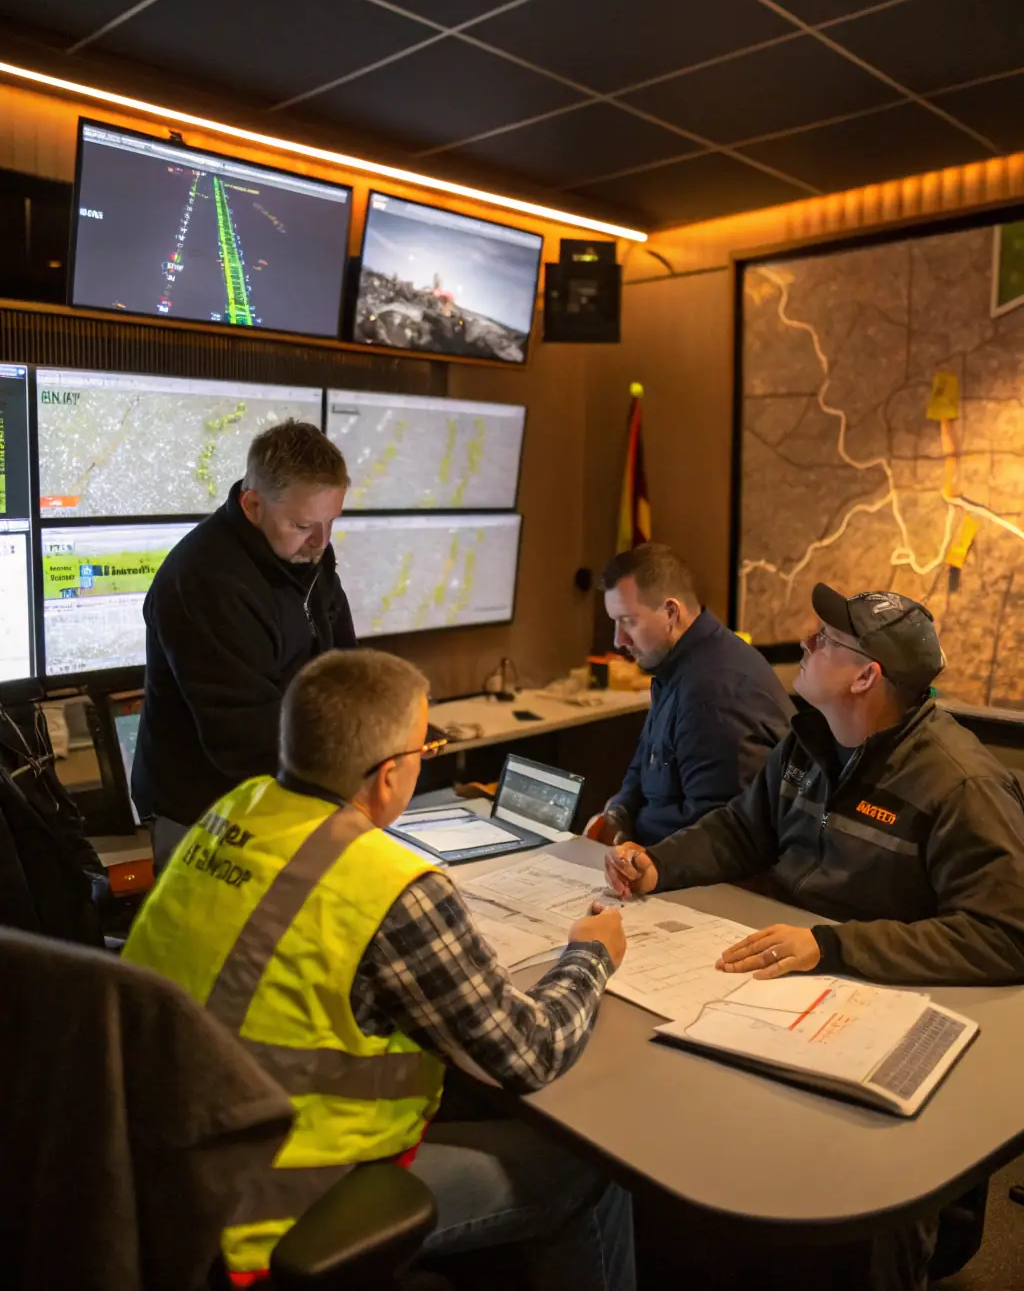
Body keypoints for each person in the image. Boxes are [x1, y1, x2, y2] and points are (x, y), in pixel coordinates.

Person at [123, 648, 634, 1291]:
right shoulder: (387, 885)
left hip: (161, 1176)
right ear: (389, 775)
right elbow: (531, 1053)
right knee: (589, 1170)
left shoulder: (235, 812)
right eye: (428, 750)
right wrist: (591, 955)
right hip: (279, 1214)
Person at [606, 582, 1024, 1291]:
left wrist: (833, 945)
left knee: (847, 1214)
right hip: (792, 983)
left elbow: (1006, 936)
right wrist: (658, 865)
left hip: (888, 1011)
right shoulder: (809, 741)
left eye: (826, 641)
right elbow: (745, 828)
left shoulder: (960, 785)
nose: (804, 643)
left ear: (866, 677)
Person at [132, 420, 357, 872]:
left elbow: (345, 666)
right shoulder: (203, 581)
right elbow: (241, 735)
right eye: (303, 525)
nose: (321, 542)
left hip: (284, 789)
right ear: (252, 504)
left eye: (331, 522)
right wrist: (351, 772)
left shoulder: (304, 554)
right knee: (214, 942)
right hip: (208, 810)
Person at [588, 543, 793, 846]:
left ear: (671, 613)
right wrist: (620, 812)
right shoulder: (674, 666)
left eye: (628, 621)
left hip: (712, 880)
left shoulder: (714, 694)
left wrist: (634, 836)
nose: (619, 639)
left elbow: (715, 832)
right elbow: (648, 763)